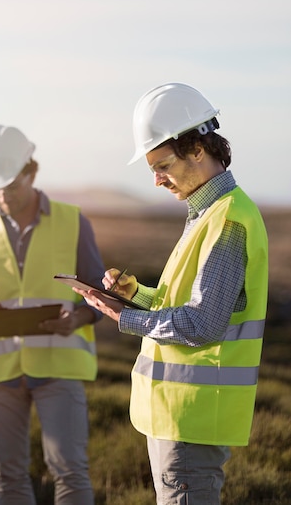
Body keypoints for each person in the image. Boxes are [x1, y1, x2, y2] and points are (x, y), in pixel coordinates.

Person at [73, 83, 268, 505]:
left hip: (190, 419)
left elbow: (202, 324)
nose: (158, 180)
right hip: (178, 416)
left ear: (198, 148)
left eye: (163, 165)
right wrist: (136, 295)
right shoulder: (207, 214)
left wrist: (124, 318)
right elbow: (189, 307)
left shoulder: (227, 221)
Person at [0, 124, 104, 505]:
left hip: (58, 366)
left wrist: (77, 319)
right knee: (8, 478)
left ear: (31, 173)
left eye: (11, 186)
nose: (2, 196)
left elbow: (99, 295)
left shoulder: (73, 221)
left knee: (70, 472)